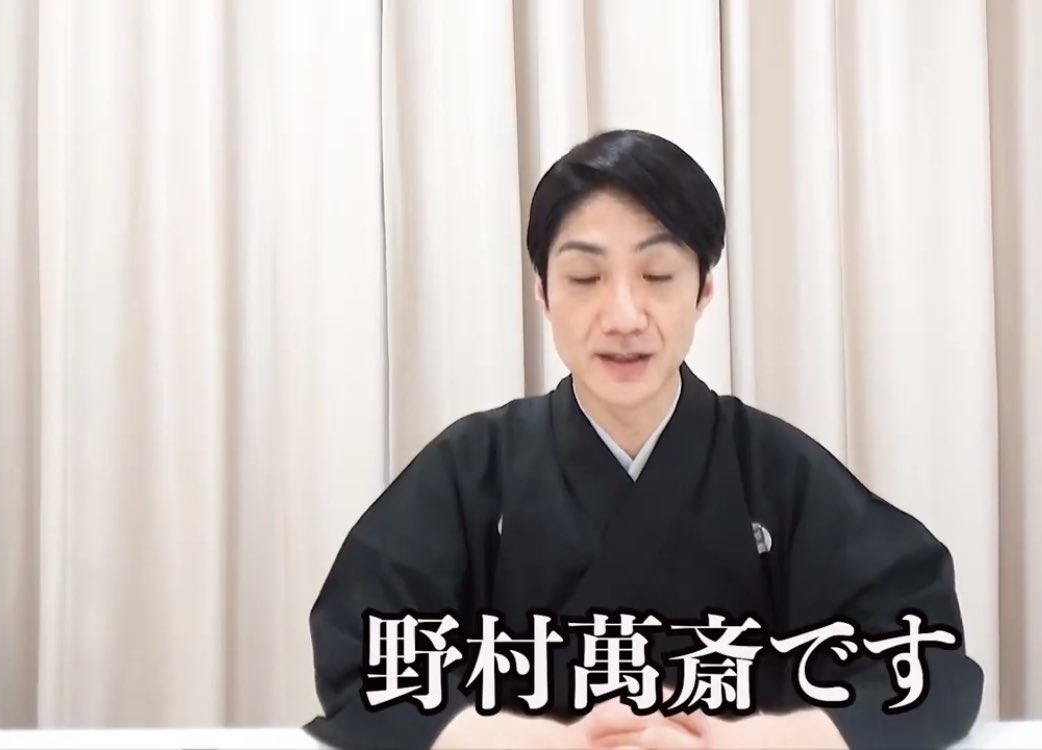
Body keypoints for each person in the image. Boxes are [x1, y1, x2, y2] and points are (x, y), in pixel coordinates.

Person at [303, 129, 984, 749]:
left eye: (657, 276)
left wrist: (757, 743)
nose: (624, 316)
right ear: (544, 293)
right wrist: (533, 744)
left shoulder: (775, 471)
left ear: (703, 291)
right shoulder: (474, 467)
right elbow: (361, 654)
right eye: (584, 278)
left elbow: (925, 659)